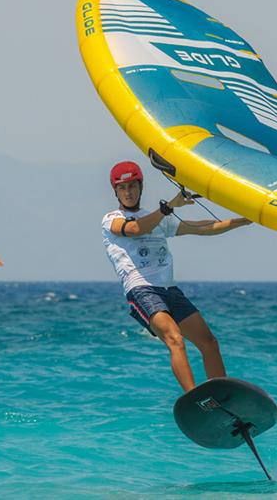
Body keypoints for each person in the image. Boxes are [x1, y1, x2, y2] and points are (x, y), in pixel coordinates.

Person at [102, 161, 251, 393]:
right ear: (115, 191)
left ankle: (222, 396)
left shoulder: (159, 218)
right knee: (175, 339)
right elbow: (135, 229)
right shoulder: (111, 218)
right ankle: (194, 399)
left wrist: (246, 219)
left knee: (209, 343)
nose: (128, 192)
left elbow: (203, 227)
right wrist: (169, 206)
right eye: (122, 188)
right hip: (142, 290)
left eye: (132, 186)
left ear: (141, 187)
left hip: (169, 290)